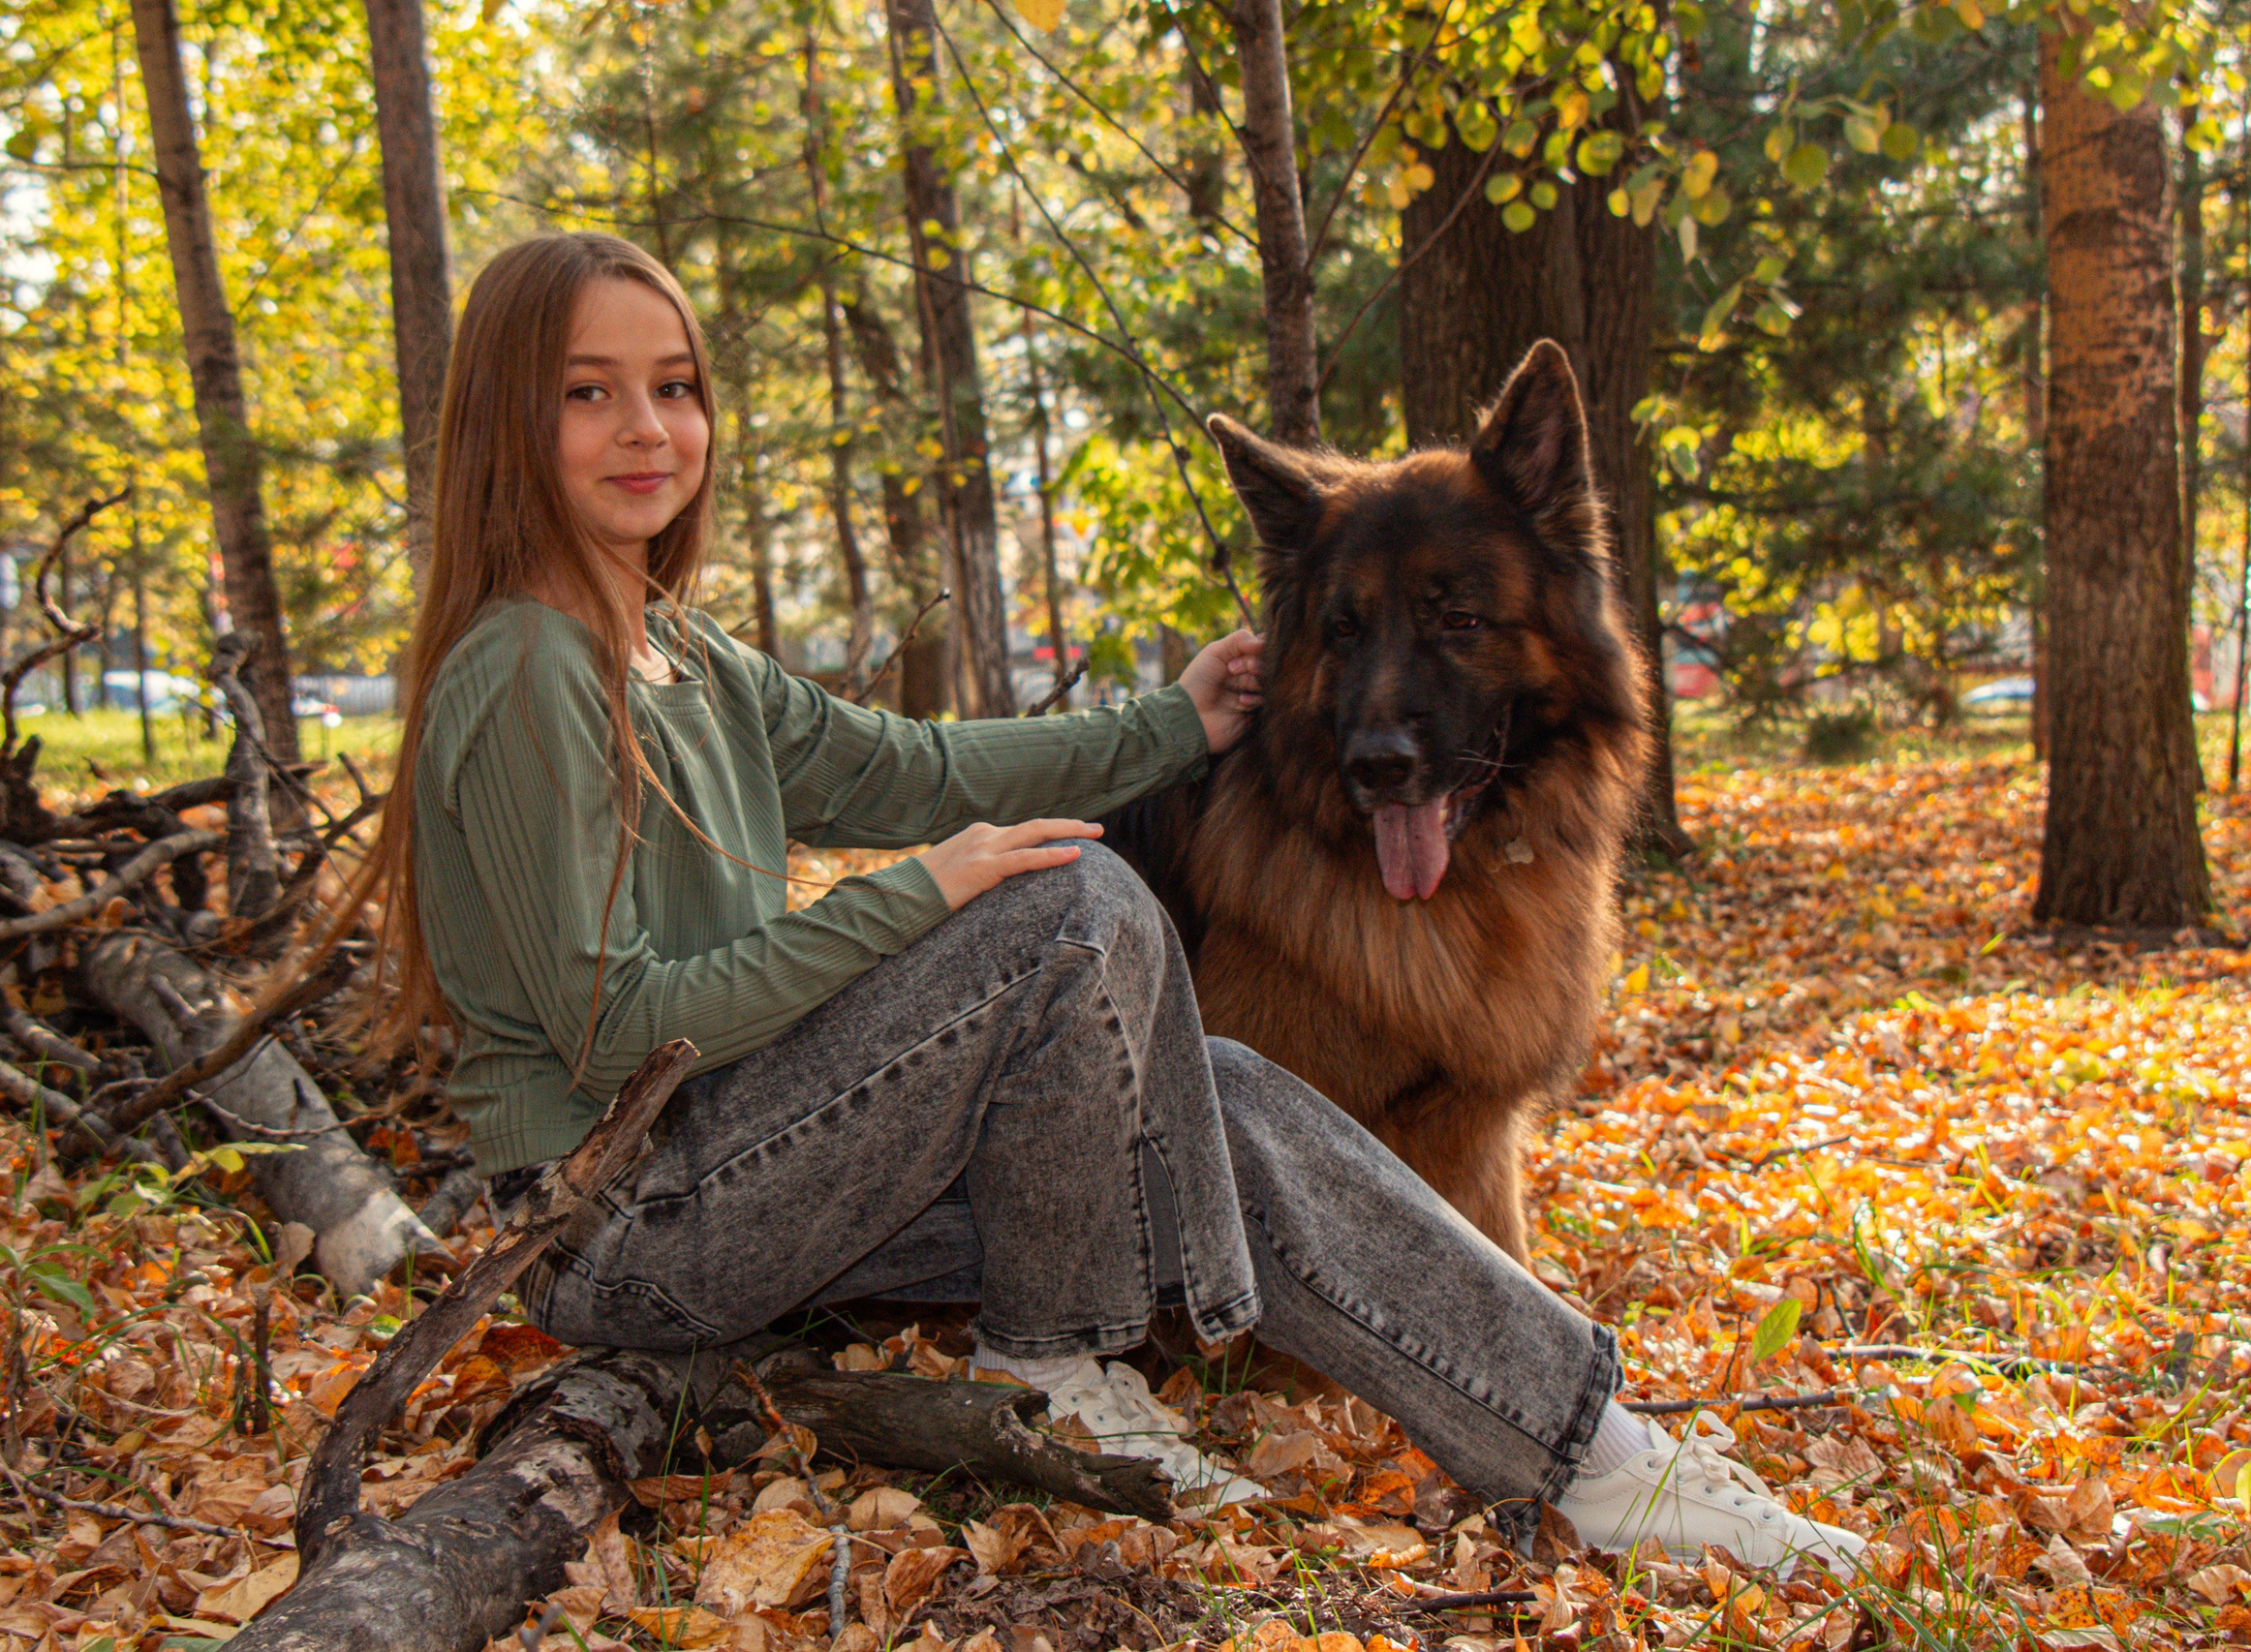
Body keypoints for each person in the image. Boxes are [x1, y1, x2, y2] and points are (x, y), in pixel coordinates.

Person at [358, 230, 1864, 1576]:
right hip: (623, 1220)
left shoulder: (673, 648)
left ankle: (1601, 1456)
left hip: (755, 1165)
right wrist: (918, 904)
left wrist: (1174, 724)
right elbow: (616, 1022)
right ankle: (1062, 1353)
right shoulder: (528, 665)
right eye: (587, 392)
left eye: (674, 384)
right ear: (506, 416)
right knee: (1070, 899)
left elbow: (916, 765)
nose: (647, 427)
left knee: (1209, 1088)